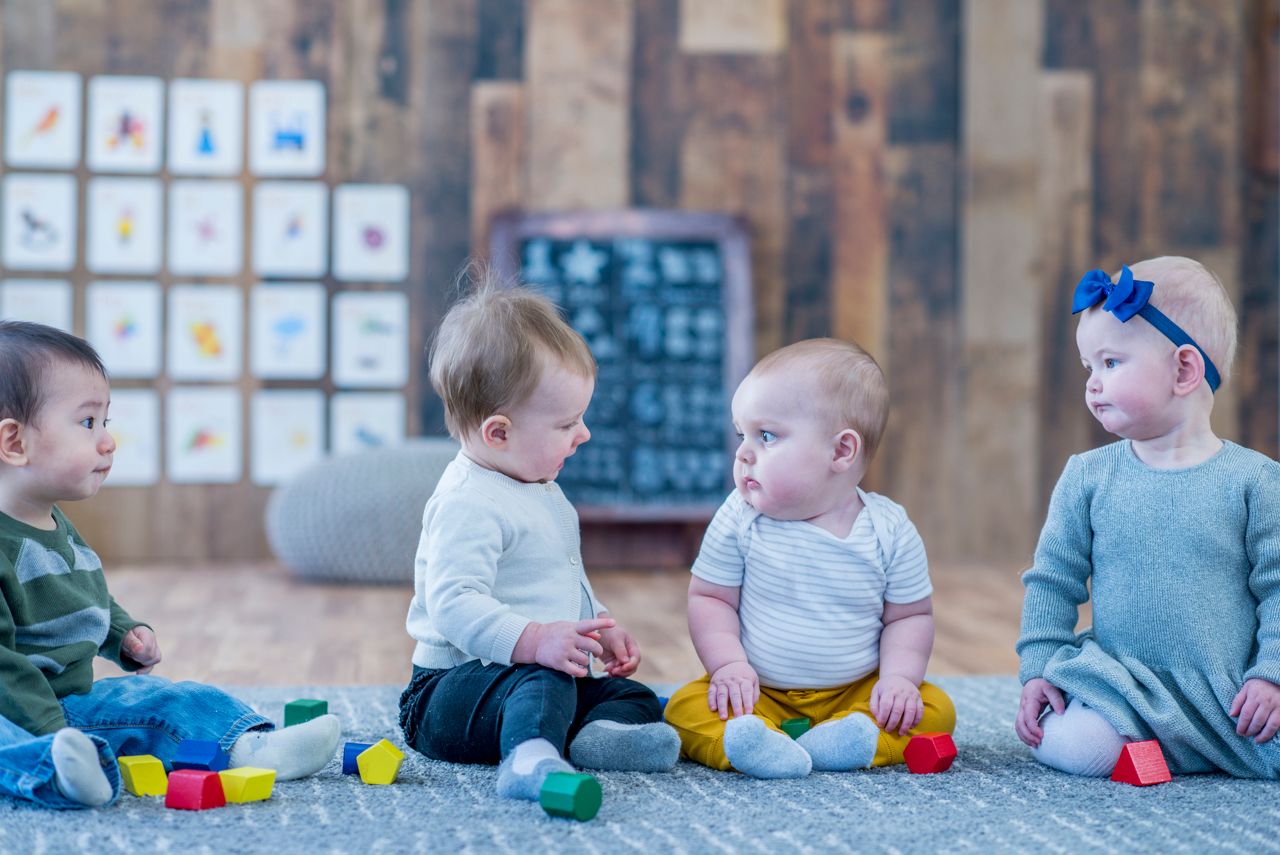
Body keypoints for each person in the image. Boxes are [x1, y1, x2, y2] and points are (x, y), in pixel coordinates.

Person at [0, 321, 340, 809]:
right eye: (87, 423)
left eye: (106, 422)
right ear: (15, 443)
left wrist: (123, 634)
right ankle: (61, 769)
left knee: (165, 698)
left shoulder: (55, 523)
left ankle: (250, 747)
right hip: (13, 710)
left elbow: (87, 598)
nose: (108, 441)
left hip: (71, 705)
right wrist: (51, 731)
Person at [398, 277, 679, 803]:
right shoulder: (468, 502)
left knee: (632, 696)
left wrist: (599, 627)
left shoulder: (538, 487)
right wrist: (535, 642)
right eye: (568, 423)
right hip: (449, 694)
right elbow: (453, 604)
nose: (584, 433)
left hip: (528, 675)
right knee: (542, 682)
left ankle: (597, 739)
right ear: (498, 433)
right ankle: (529, 760)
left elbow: (561, 571)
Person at [1015, 256, 1280, 778]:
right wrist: (1039, 668)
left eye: (1110, 363)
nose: (1092, 383)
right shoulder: (1087, 477)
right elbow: (1052, 580)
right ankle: (1132, 751)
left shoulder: (1254, 482)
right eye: (1088, 367)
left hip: (1233, 699)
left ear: (1184, 369)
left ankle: (1184, 751)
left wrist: (1270, 676)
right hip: (1122, 688)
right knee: (1072, 741)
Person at [663, 338, 955, 778]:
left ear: (840, 451)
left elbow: (909, 617)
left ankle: (851, 737)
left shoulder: (888, 529)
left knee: (935, 708)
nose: (743, 453)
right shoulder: (739, 518)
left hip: (856, 692)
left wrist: (898, 680)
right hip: (758, 691)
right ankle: (752, 740)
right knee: (685, 707)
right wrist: (728, 666)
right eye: (741, 434)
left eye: (766, 436)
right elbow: (711, 599)